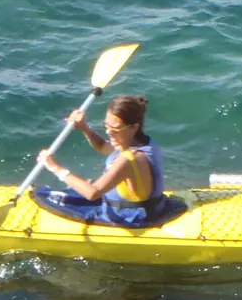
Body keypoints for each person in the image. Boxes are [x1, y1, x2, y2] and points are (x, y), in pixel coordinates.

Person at [37, 95, 168, 226]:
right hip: (142, 207)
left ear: (134, 127)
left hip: (130, 218)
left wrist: (54, 167)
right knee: (43, 194)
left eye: (115, 129)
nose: (109, 133)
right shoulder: (143, 142)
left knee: (48, 201)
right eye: (106, 126)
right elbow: (102, 146)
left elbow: (92, 193)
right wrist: (84, 127)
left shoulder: (129, 158)